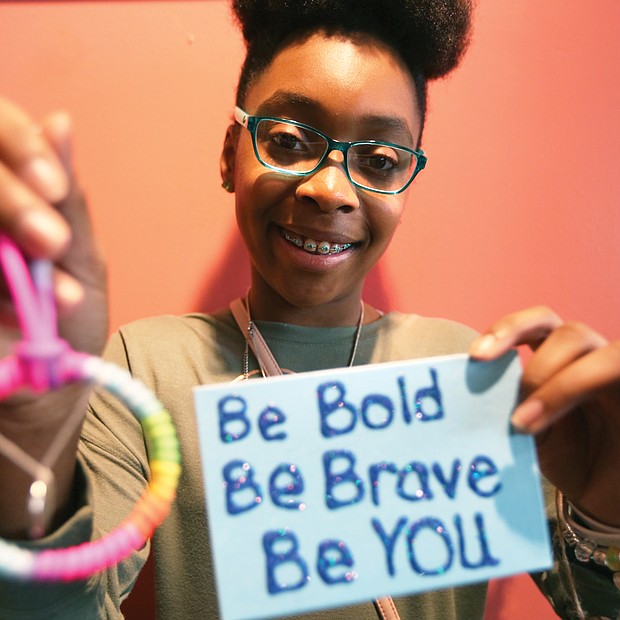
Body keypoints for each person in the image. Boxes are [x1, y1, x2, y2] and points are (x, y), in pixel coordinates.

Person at [0, 0, 619, 618]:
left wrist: (606, 521)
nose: (330, 189)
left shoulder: (467, 371)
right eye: (290, 140)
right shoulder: (144, 370)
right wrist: (30, 446)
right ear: (230, 154)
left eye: (380, 161)